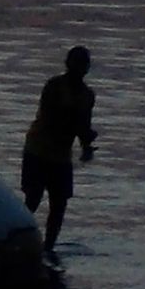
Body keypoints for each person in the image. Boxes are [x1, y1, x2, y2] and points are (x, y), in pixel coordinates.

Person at [19, 46, 97, 256]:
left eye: (83, 64)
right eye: (76, 63)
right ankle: (16, 239)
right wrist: (83, 131)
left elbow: (83, 125)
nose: (79, 68)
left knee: (59, 204)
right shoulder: (54, 86)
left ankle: (48, 248)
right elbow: (52, 118)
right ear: (67, 64)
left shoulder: (88, 96)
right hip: (38, 150)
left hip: (61, 156)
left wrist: (87, 145)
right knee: (33, 199)